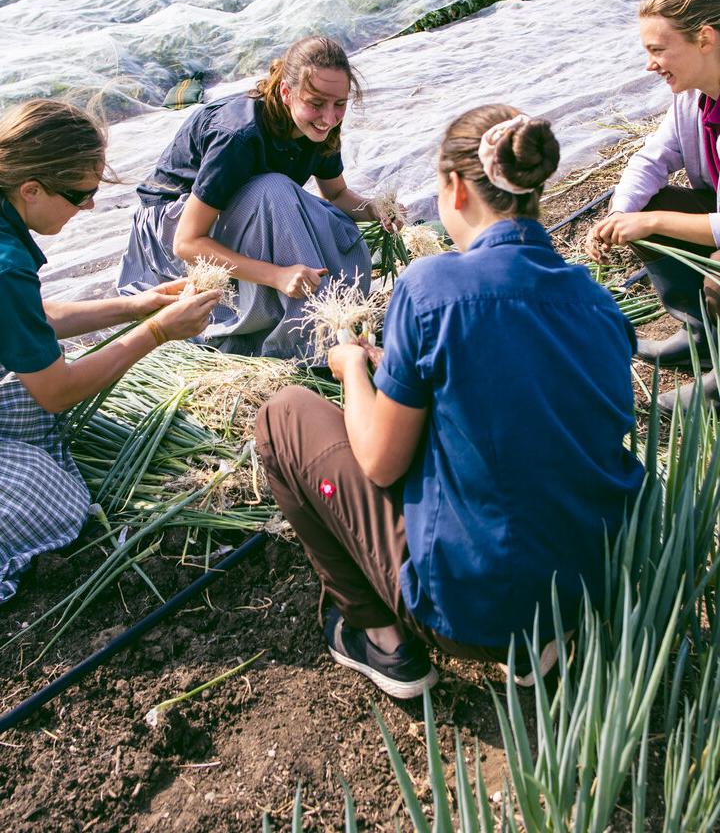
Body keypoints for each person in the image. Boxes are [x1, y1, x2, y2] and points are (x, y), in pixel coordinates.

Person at [257, 106, 643, 699]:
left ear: (456, 189)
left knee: (283, 415)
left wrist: (354, 368)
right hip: (586, 587)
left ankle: (381, 638)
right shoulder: (596, 302)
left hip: (477, 610)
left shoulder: (429, 285)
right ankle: (545, 641)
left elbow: (380, 462)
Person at [0, 99, 220, 602]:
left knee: (23, 406)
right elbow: (57, 392)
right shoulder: (5, 265)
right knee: (57, 503)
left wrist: (134, 306)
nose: (89, 208)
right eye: (80, 194)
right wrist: (158, 332)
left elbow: (32, 318)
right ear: (30, 189)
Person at [118, 36, 397, 360]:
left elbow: (335, 194)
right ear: (285, 93)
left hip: (243, 209)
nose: (329, 117)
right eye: (316, 103)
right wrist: (276, 276)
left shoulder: (321, 125)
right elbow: (187, 243)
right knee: (275, 190)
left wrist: (374, 209)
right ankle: (312, 342)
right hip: (171, 227)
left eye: (340, 104)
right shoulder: (238, 136)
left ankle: (338, 316)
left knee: (331, 224)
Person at [588, 0, 720, 413]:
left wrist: (652, 223)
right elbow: (651, 159)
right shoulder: (694, 99)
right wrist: (620, 214)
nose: (650, 65)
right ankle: (700, 333)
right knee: (644, 204)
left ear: (705, 38)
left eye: (658, 50)